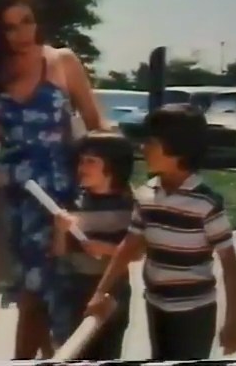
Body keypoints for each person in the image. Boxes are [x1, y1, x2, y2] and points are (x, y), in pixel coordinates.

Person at [0, 0, 106, 359]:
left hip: (58, 192)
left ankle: (27, 358)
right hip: (14, 197)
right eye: (10, 27)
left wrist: (112, 177)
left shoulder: (63, 61)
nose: (21, 33)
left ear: (38, 19)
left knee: (42, 289)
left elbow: (97, 125)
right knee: (33, 288)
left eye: (26, 21)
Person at [84, 105, 236, 360]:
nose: (142, 148)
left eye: (151, 142)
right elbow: (129, 245)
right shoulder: (147, 195)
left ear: (176, 148)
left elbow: (229, 263)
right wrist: (101, 291)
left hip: (194, 313)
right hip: (156, 304)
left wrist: (232, 321)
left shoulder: (206, 203)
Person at [52, 131, 137, 359]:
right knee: (73, 352)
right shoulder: (74, 203)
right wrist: (60, 230)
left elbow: (138, 252)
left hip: (113, 289)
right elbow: (59, 252)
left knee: (107, 351)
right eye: (80, 161)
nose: (82, 167)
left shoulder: (130, 204)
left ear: (113, 166)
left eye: (91, 161)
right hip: (74, 288)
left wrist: (106, 249)